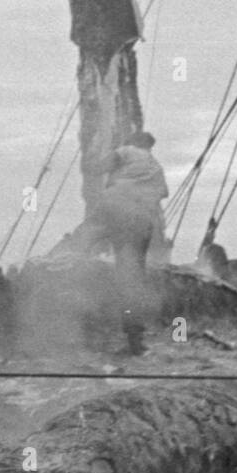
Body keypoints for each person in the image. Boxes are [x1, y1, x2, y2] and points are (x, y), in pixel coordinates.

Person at [91, 130, 168, 355]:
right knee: (133, 274)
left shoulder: (125, 151)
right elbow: (162, 193)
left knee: (81, 242)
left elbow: (96, 168)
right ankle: (136, 338)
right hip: (142, 222)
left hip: (114, 210)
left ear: (132, 142)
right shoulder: (155, 166)